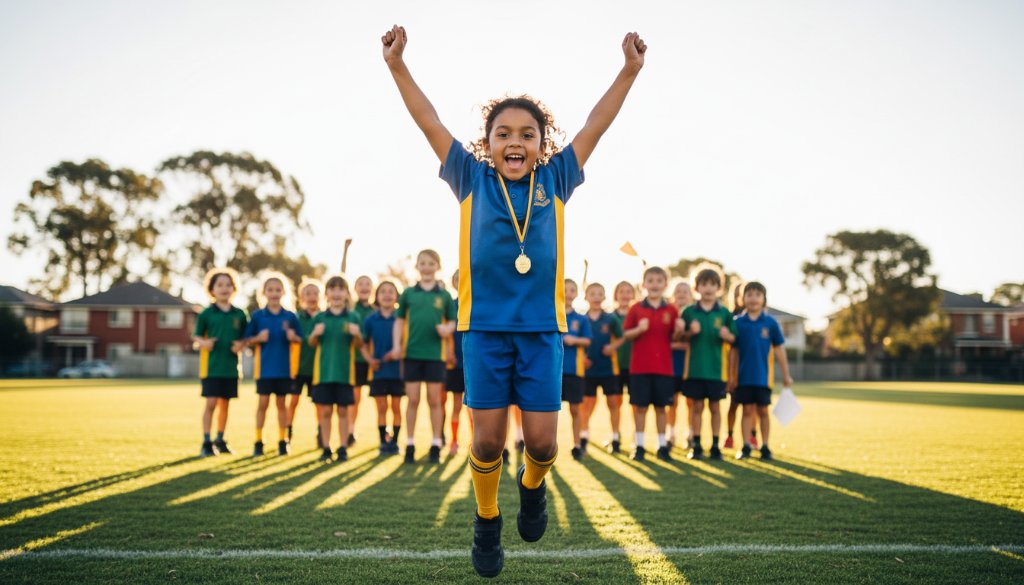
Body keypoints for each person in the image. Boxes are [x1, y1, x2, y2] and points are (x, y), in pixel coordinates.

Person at [381, 24, 647, 577]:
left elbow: (597, 124)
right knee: (486, 439)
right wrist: (397, 66)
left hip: (543, 332)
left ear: (542, 145)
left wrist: (627, 72)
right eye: (503, 133)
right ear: (488, 143)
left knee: (544, 445)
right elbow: (428, 120)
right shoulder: (469, 177)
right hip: (482, 331)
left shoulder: (559, 177)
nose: (516, 143)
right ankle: (486, 521)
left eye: (528, 134)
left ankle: (532, 489)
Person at [392, 249, 457, 464]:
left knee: (434, 400)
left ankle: (436, 443)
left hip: (435, 356)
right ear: (417, 266)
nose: (427, 266)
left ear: (437, 267)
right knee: (412, 399)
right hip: (412, 354)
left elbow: (453, 322)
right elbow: (399, 322)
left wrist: (448, 329)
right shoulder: (409, 293)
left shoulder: (444, 295)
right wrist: (396, 345)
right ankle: (409, 443)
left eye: (431, 263)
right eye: (423, 263)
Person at [728, 282, 793, 460]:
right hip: (743, 378)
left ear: (764, 299)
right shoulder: (738, 323)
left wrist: (786, 375)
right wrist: (731, 376)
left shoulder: (771, 323)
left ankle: (765, 446)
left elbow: (780, 349)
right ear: (743, 299)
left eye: (757, 294)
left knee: (763, 412)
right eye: (749, 294)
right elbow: (733, 352)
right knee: (746, 411)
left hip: (763, 378)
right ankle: (746, 446)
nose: (753, 298)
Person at [622, 267, 680, 462]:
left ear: (665, 284)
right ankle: (639, 446)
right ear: (644, 284)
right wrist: (639, 329)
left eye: (659, 281)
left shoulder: (671, 310)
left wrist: (680, 330)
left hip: (664, 368)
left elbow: (676, 337)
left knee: (661, 408)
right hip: (640, 368)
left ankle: (663, 446)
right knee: (640, 408)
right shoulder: (636, 308)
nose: (655, 284)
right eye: (651, 280)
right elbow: (627, 334)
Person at [681, 268, 737, 461]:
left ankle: (715, 445)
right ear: (697, 287)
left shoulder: (724, 313)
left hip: (716, 371)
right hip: (695, 370)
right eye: (703, 284)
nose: (708, 288)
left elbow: (735, 339)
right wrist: (689, 332)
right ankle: (696, 445)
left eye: (712, 284)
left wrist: (726, 335)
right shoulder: (688, 312)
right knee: (696, 407)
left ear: (719, 287)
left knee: (715, 408)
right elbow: (678, 336)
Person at [245, 273, 303, 456]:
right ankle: (258, 441)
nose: (274, 293)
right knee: (262, 404)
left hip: (284, 370)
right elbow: (246, 341)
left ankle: (282, 440)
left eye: (278, 289)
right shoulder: (258, 316)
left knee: (281, 405)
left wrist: (293, 337)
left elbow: (302, 340)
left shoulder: (290, 316)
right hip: (264, 370)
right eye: (270, 289)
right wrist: (257, 338)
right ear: (264, 292)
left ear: (283, 292)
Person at [308, 276, 363, 463]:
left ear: (347, 293)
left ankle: (342, 448)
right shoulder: (320, 317)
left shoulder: (353, 317)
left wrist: (356, 335)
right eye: (333, 289)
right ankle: (325, 448)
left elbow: (359, 344)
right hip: (323, 374)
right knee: (324, 412)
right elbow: (311, 342)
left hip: (345, 374)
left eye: (341, 289)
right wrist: (315, 333)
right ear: (327, 294)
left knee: (342, 412)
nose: (337, 293)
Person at [193, 268, 247, 457]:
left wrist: (241, 345)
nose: (224, 288)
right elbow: (196, 337)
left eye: (228, 284)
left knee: (226, 404)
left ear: (234, 288)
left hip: (231, 369)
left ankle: (220, 439)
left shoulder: (240, 314)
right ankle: (206, 441)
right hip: (212, 368)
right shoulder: (207, 313)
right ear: (212, 289)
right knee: (211, 403)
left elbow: (246, 339)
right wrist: (204, 343)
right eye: (220, 285)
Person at [362, 280, 404, 456]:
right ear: (377, 296)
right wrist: (370, 360)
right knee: (381, 407)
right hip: (378, 371)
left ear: (396, 296)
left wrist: (398, 353)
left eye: (391, 291)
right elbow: (362, 344)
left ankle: (394, 442)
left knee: (396, 406)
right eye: (383, 292)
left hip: (397, 371)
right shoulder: (371, 319)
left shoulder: (401, 319)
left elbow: (406, 342)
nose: (387, 295)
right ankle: (382, 441)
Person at [581, 283, 624, 453]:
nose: (596, 297)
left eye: (600, 293)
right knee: (586, 405)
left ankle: (615, 438)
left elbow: (621, 338)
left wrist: (612, 348)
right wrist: (583, 358)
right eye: (592, 293)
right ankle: (584, 436)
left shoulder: (611, 319)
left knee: (613, 403)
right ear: (586, 297)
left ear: (604, 297)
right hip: (588, 370)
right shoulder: (582, 319)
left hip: (608, 369)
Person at [562, 279, 592, 460]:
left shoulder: (581, 319)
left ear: (576, 293)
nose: (568, 293)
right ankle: (548, 447)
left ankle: (577, 444)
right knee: (549, 412)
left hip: (574, 371)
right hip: (553, 372)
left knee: (575, 409)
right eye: (565, 290)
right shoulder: (551, 314)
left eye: (572, 290)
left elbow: (588, 340)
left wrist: (574, 340)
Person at [348, 275, 376, 448]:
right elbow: (341, 279)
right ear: (355, 288)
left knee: (380, 398)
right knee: (355, 398)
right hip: (356, 360)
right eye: (360, 284)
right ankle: (351, 431)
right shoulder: (351, 308)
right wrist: (345, 252)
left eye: (368, 284)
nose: (364, 287)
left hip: (375, 360)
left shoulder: (377, 309)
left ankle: (384, 431)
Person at [445, 270, 469, 456]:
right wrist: (448, 352)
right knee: (456, 404)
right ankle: (453, 440)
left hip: (473, 363)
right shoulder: (449, 306)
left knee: (475, 406)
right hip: (454, 362)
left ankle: (476, 442)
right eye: (457, 279)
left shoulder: (477, 303)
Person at [667, 281, 693, 450]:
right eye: (678, 291)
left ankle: (691, 434)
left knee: (691, 402)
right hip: (670, 366)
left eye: (685, 291)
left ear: (691, 295)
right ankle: (671, 434)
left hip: (690, 366)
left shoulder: (694, 314)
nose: (681, 294)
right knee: (672, 402)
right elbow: (664, 341)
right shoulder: (668, 314)